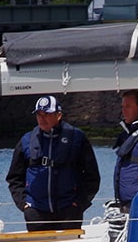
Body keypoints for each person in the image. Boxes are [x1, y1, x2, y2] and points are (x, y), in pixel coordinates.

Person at [6, 95, 101, 231]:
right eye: (39, 114)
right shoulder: (27, 141)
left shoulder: (77, 139)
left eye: (47, 114)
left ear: (59, 115)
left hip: (69, 211)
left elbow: (92, 177)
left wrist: (78, 204)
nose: (42, 118)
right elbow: (14, 178)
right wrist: (24, 205)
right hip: (36, 211)